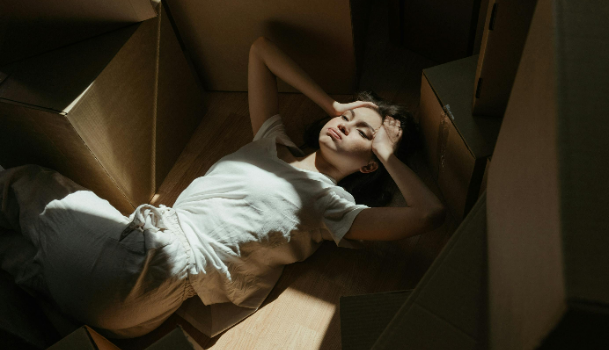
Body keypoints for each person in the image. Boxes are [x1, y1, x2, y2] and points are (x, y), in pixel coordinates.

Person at [0, 36, 444, 338]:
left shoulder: (335, 207)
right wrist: (334, 101)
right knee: (14, 255)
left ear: (369, 166)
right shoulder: (271, 139)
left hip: (155, 269)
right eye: (345, 119)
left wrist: (387, 152)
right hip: (131, 306)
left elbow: (428, 214)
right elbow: (260, 50)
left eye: (364, 133)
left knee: (30, 183)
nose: (344, 126)